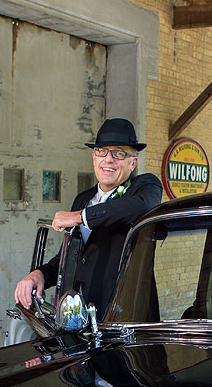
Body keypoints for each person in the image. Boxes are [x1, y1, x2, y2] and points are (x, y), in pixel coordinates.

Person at [13, 118, 162, 315]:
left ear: (132, 162)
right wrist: (39, 275)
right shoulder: (82, 199)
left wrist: (81, 217)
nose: (108, 159)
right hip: (80, 317)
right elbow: (69, 257)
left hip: (126, 317)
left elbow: (143, 206)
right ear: (94, 157)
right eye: (102, 151)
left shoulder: (144, 187)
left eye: (118, 153)